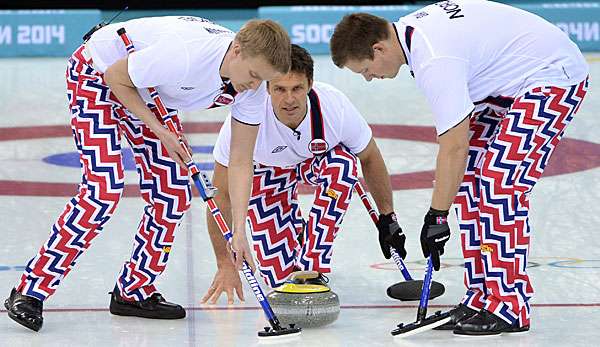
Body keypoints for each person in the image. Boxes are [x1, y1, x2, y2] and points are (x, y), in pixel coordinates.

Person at [4, 16, 290, 332]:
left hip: (149, 86)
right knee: (104, 188)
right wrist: (160, 131)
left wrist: (239, 229)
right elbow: (116, 76)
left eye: (262, 80)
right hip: (98, 76)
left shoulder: (253, 89)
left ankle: (133, 290)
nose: (254, 86)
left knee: (173, 194)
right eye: (252, 75)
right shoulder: (186, 52)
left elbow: (240, 159)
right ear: (236, 50)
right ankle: (31, 290)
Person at [330, 0, 589, 336]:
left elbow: (453, 146)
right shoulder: (409, 36)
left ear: (379, 49)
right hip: (508, 83)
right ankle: (481, 294)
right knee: (467, 183)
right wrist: (440, 210)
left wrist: (436, 216)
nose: (367, 78)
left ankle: (509, 306)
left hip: (552, 76)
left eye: (364, 69)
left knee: (500, 185)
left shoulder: (434, 59)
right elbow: (458, 155)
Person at [200, 44, 405, 304]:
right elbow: (221, 196)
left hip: (316, 163)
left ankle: (312, 265)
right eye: (279, 89)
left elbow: (370, 158)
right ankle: (297, 235)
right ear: (266, 88)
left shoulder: (334, 106)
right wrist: (224, 264)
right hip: (266, 172)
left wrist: (388, 217)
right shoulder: (245, 118)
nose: (288, 99)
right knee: (281, 281)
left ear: (310, 84)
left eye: (296, 88)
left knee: (343, 166)